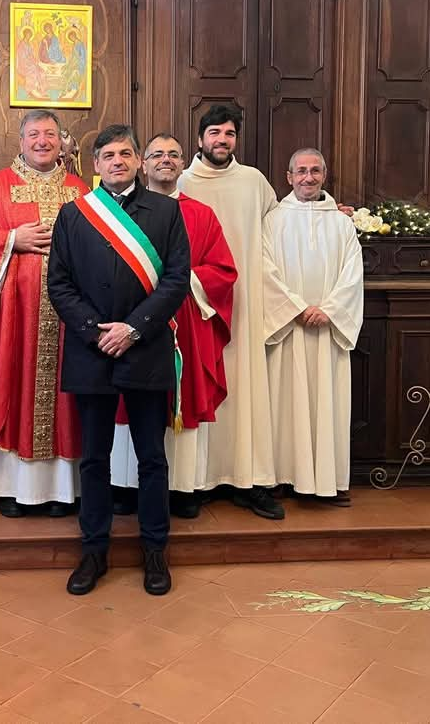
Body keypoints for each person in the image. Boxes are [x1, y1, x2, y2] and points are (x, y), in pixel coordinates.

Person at [48, 124, 190, 596]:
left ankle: (155, 550)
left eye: (126, 153)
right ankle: (94, 551)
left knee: (151, 458)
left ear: (137, 160)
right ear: (96, 164)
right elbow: (60, 285)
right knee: (94, 459)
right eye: (108, 155)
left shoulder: (167, 212)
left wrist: (132, 328)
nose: (117, 161)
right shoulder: (73, 215)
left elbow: (176, 280)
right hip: (91, 353)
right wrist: (95, 332)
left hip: (144, 348)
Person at [0, 110, 85, 517]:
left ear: (62, 140)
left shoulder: (79, 190)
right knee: (11, 384)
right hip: (13, 317)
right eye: (34, 135)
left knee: (66, 396)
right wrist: (13, 238)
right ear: (21, 139)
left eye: (49, 134)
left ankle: (61, 491)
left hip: (67, 321)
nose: (42, 141)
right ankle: (9, 488)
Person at [110, 133, 237, 519]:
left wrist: (177, 283)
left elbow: (222, 271)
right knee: (124, 401)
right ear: (142, 164)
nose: (166, 160)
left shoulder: (202, 214)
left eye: (174, 154)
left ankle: (183, 488)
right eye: (157, 154)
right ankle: (124, 486)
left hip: (184, 323)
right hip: (131, 323)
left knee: (182, 399)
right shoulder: (119, 213)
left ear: (183, 164)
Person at [177, 104, 286, 519]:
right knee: (198, 386)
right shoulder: (182, 182)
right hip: (196, 305)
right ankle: (198, 481)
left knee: (245, 389)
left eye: (229, 134)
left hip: (244, 302)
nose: (221, 140)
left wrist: (329, 215)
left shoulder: (253, 182)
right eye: (214, 133)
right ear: (199, 138)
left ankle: (248, 480)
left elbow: (281, 225)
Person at [263, 148, 364, 505]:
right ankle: (280, 478)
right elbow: (264, 270)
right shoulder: (273, 221)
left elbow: (353, 274)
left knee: (327, 405)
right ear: (288, 177)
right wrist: (296, 307)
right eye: (301, 171)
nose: (308, 177)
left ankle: (327, 482)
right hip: (288, 329)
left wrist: (331, 310)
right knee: (283, 405)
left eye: (315, 171)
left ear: (325, 175)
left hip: (327, 332)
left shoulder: (341, 223)